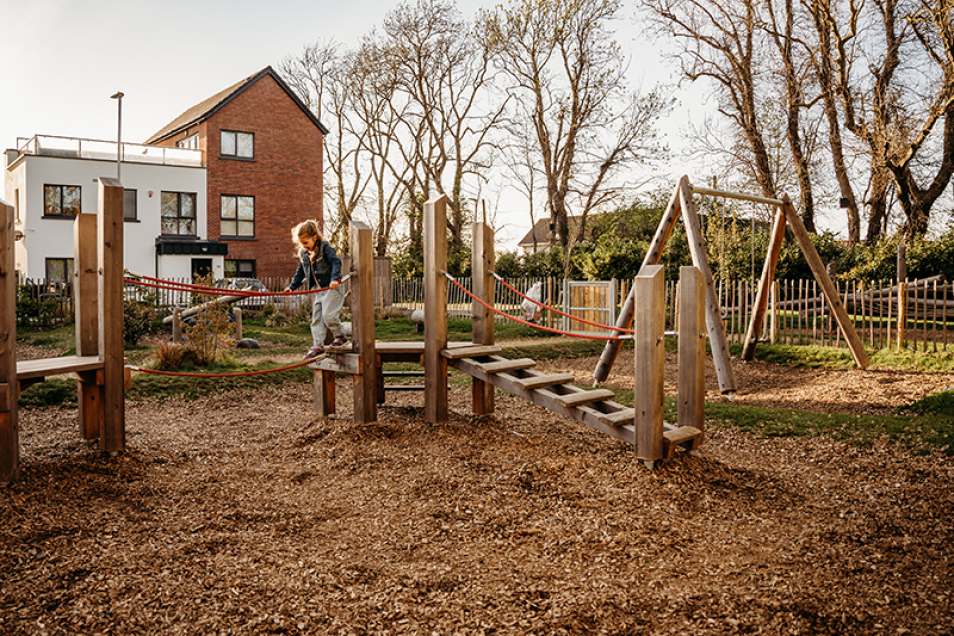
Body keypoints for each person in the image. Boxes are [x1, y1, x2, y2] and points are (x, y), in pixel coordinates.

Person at [286, 220, 348, 359]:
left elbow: (336, 262)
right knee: (317, 319)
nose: (304, 246)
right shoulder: (304, 253)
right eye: (301, 244)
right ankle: (318, 345)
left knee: (328, 316)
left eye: (306, 243)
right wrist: (292, 287)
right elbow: (301, 270)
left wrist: (334, 279)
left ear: (314, 237)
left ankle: (341, 336)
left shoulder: (325, 247)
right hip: (318, 290)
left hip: (332, 288)